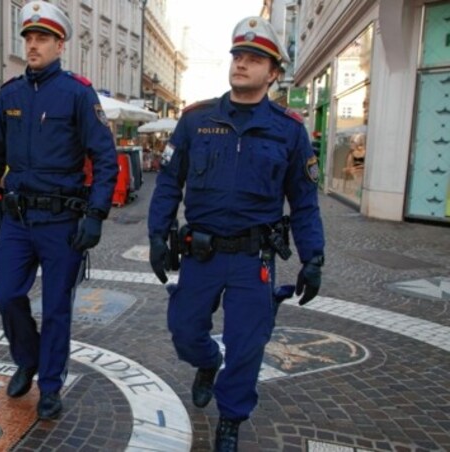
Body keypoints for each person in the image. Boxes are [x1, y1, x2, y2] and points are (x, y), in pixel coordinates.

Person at [147, 16, 325, 451]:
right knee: (186, 333)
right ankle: (207, 363)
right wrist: (157, 234)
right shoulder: (196, 120)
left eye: (254, 59)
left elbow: (303, 200)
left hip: (252, 259)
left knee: (247, 344)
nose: (242, 64)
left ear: (274, 73)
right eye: (238, 56)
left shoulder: (289, 130)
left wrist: (313, 257)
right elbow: (169, 181)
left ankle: (231, 417)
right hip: (201, 254)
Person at [0, 1, 118, 420]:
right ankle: (27, 358)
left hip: (62, 223)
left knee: (56, 308)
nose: (33, 45)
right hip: (16, 220)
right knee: (7, 293)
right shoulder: (10, 93)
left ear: (59, 44)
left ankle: (50, 386)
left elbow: (105, 158)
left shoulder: (77, 92)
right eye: (29, 38)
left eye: (42, 39)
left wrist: (96, 215)